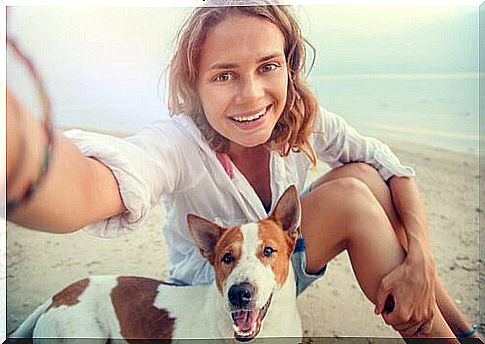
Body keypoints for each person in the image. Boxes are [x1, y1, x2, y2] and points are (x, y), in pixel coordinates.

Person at [6, 2, 480, 341]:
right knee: (353, 195)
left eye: (267, 66)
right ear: (194, 86)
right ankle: (428, 334)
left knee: (367, 176)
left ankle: (459, 329)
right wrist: (19, 156)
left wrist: (422, 257)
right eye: (224, 74)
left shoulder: (300, 118)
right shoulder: (177, 142)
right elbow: (96, 183)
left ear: (289, 69)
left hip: (278, 260)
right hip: (216, 289)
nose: (252, 96)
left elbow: (396, 169)